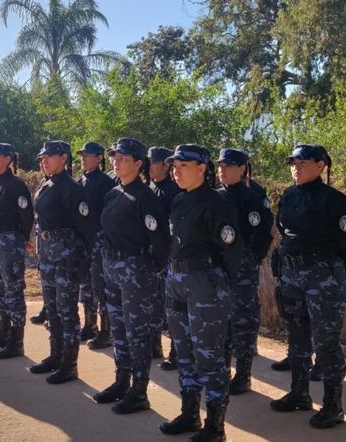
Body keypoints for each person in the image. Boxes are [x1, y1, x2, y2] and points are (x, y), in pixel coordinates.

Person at [269, 144, 346, 429]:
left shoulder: (334, 200)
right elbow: (283, 231)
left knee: (325, 341)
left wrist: (327, 266)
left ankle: (333, 406)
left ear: (321, 165)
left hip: (322, 277)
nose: (295, 167)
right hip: (292, 274)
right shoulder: (289, 195)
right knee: (297, 337)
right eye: (293, 163)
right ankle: (299, 394)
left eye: (302, 162)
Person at [158, 144, 243, 442]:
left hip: (204, 284)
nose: (176, 172)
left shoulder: (217, 203)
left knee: (209, 356)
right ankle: (189, 413)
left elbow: (232, 251)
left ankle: (215, 426)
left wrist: (217, 284)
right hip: (177, 280)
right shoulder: (179, 200)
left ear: (202, 168)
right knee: (184, 352)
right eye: (174, 166)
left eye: (183, 166)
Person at [93, 138, 170, 414]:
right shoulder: (113, 194)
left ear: (139, 164)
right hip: (112, 268)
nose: (116, 162)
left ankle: (139, 391)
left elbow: (160, 240)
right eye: (115, 157)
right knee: (118, 329)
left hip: (136, 270)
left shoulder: (146, 197)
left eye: (123, 158)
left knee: (137, 332)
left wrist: (152, 268)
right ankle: (121, 381)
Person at [29, 141, 92, 384]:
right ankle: (55, 356)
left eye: (49, 156)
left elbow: (85, 227)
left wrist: (80, 258)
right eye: (42, 157)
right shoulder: (47, 183)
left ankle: (69, 364)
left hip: (66, 252)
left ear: (63, 158)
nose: (44, 161)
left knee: (67, 310)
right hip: (48, 251)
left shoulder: (71, 188)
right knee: (52, 306)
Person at [215, 149, 274, 395]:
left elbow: (263, 233)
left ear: (242, 168)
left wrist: (250, 260)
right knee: (221, 320)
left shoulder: (252, 197)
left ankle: (243, 374)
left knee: (242, 320)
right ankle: (222, 371)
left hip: (241, 269)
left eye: (228, 166)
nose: (222, 170)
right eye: (220, 166)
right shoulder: (215, 196)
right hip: (218, 267)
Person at [0, 143, 34, 359]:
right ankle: (4, 332)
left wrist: (23, 237)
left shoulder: (16, 185)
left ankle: (16, 341)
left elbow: (26, 214)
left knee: (13, 290)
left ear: (8, 159)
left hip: (10, 242)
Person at [76, 142, 116, 348]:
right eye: (82, 155)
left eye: (88, 155)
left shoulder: (105, 183)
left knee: (101, 287)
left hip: (99, 240)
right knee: (86, 286)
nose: (83, 159)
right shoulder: (80, 181)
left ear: (99, 158)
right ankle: (89, 325)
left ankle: (106, 331)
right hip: (83, 240)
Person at [147, 145, 182, 369]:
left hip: (170, 257)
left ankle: (177, 352)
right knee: (153, 304)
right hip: (153, 255)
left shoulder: (175, 191)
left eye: (153, 162)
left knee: (173, 307)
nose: (149, 167)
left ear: (166, 166)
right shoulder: (150, 188)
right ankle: (154, 345)